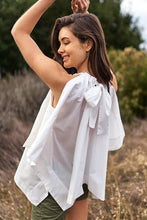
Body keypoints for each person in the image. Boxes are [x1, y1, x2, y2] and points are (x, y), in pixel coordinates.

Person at [11, 0, 125, 219]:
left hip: (52, 185)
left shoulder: (63, 82)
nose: (60, 49)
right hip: (79, 178)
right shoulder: (108, 84)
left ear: (88, 44)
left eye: (65, 42)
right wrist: (85, 17)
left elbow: (19, 31)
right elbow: (100, 62)